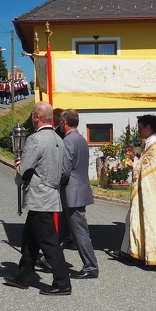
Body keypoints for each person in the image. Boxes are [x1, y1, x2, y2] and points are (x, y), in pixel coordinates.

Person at [4, 101, 72, 295]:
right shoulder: (58, 138)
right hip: (50, 194)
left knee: (49, 243)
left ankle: (62, 283)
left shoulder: (35, 139)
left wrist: (18, 174)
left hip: (39, 196)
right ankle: (23, 276)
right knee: (30, 239)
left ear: (37, 117)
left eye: (33, 116)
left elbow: (26, 169)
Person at [107, 115, 156, 267]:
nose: (139, 131)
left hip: (150, 191)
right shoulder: (151, 142)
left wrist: (133, 164)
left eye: (141, 128)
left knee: (146, 221)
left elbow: (147, 168)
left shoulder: (155, 143)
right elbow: (145, 163)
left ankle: (141, 253)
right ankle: (132, 251)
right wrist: (134, 158)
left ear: (148, 127)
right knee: (133, 219)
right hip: (148, 188)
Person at [59, 109, 99, 279]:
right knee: (63, 230)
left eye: (60, 122)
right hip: (79, 190)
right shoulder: (81, 139)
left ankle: (91, 266)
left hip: (71, 193)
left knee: (80, 232)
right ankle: (49, 258)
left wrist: (54, 183)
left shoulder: (68, 141)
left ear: (65, 122)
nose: (59, 125)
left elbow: (64, 170)